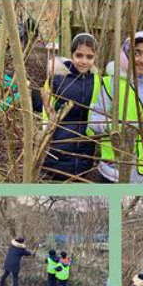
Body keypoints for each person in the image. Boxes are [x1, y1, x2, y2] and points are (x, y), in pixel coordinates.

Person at [89, 32, 143, 183]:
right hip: (114, 171)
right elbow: (94, 121)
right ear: (126, 55)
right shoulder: (112, 84)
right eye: (136, 53)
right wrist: (113, 128)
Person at [33, 33, 101, 182]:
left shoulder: (97, 81)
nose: (84, 61)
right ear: (72, 55)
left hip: (85, 149)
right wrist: (48, 133)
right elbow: (45, 109)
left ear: (95, 57)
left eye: (89, 57)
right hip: (58, 147)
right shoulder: (57, 78)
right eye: (79, 55)